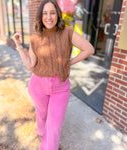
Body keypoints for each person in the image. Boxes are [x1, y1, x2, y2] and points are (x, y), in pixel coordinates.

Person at [13, 0, 94, 150]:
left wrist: (68, 63)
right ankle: (41, 133)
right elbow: (31, 64)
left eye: (52, 12)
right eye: (45, 13)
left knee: (55, 126)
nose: (48, 17)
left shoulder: (68, 32)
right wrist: (18, 46)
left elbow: (89, 49)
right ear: (41, 16)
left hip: (60, 88)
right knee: (42, 115)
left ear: (57, 14)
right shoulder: (36, 37)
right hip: (38, 85)